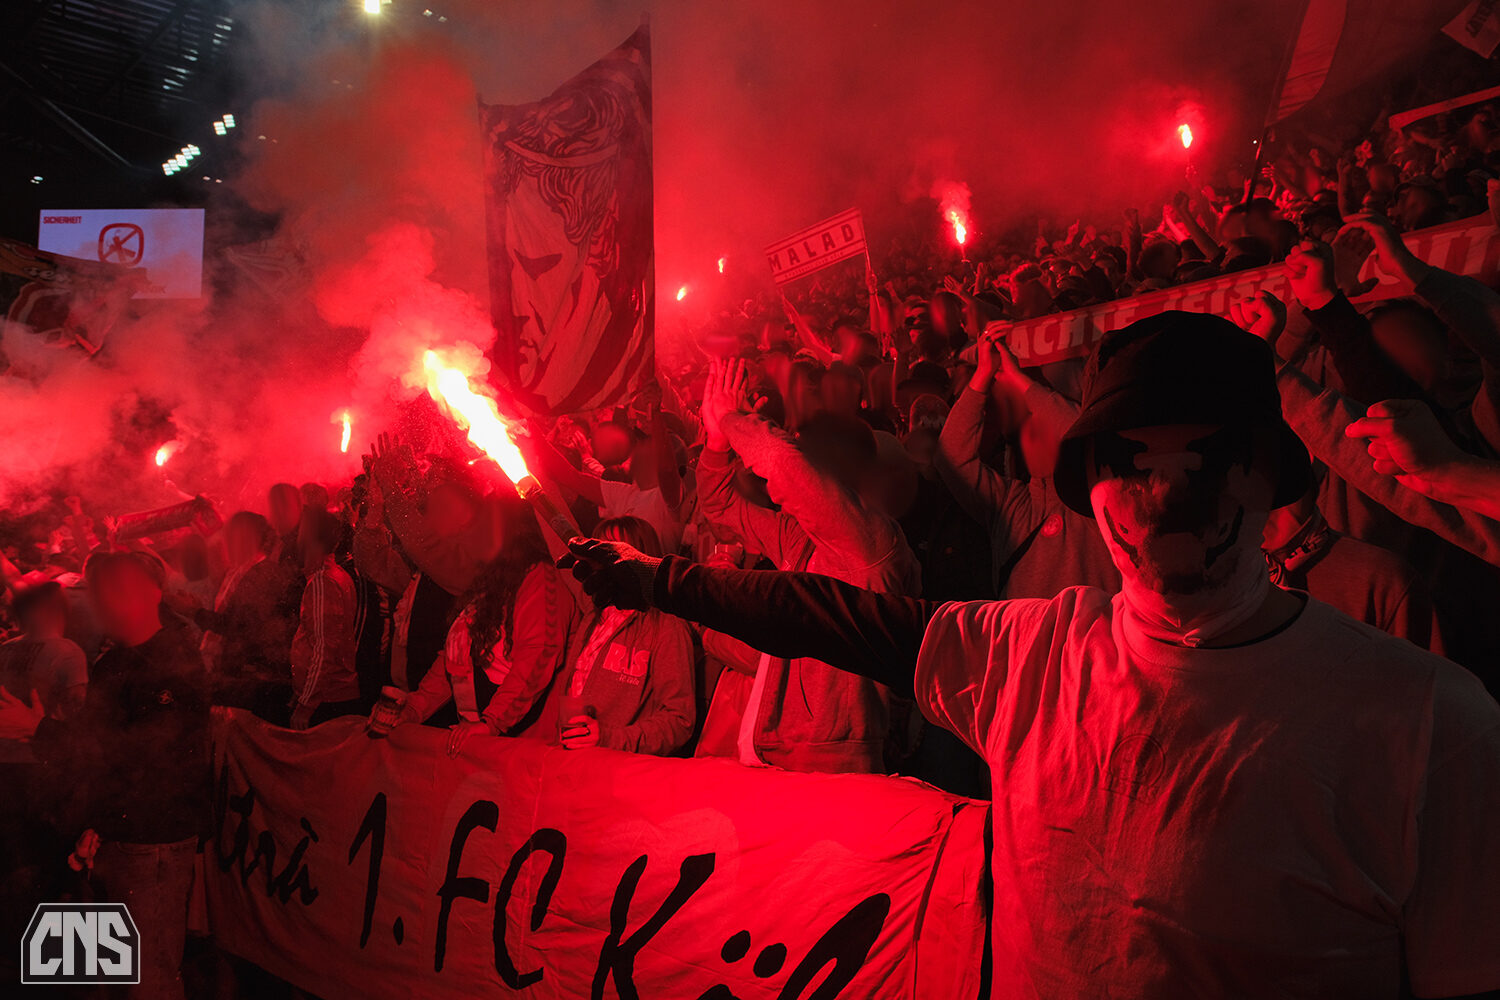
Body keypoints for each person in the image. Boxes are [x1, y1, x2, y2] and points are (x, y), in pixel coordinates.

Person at [563, 312, 1500, 998]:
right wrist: (655, 581)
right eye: (1131, 460)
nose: (1165, 493)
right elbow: (819, 612)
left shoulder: (1429, 724)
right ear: (1091, 492)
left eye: (1206, 458)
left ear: (1265, 477)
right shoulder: (1029, 652)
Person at [695, 358, 921, 774]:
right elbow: (720, 507)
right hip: (776, 758)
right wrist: (716, 440)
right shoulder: (798, 537)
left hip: (829, 766)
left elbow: (783, 465)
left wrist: (732, 417)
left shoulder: (871, 545)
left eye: (809, 454)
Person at [34, 550, 209, 1000]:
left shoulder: (174, 661)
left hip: (153, 845)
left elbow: (143, 761)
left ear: (152, 594)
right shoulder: (114, 662)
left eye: (115, 590)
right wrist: (93, 824)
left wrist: (37, 730)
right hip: (111, 837)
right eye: (99, 592)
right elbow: (96, 754)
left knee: (146, 980)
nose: (103, 603)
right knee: (108, 977)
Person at [392, 491, 577, 756]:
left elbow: (537, 658)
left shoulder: (541, 580)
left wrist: (492, 723)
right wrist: (414, 708)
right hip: (486, 747)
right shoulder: (489, 582)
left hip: (528, 751)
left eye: (479, 526)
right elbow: (456, 659)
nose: (470, 535)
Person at [550, 517, 694, 756]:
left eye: (611, 550)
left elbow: (680, 721)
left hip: (620, 771)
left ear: (639, 557)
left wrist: (610, 738)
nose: (601, 560)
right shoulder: (594, 616)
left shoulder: (666, 626)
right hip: (576, 764)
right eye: (597, 549)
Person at [188, 511, 298, 718]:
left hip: (252, 677)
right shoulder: (238, 571)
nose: (227, 542)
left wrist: (195, 613)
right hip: (235, 672)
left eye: (232, 536)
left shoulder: (262, 573)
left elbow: (239, 627)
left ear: (250, 538)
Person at [288, 508, 360, 728]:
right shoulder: (334, 575)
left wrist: (305, 705)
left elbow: (324, 649)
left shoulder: (323, 581)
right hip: (328, 696)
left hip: (327, 699)